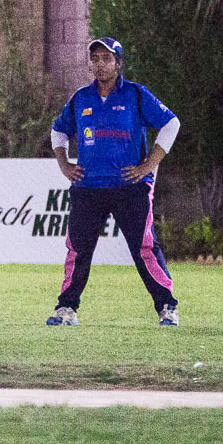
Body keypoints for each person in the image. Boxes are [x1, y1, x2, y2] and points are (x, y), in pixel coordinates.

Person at [47, 37, 182, 328]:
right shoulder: (80, 98)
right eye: (95, 58)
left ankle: (167, 307)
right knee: (77, 250)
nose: (100, 64)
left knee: (145, 247)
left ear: (118, 64)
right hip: (88, 188)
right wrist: (64, 164)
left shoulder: (136, 94)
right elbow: (58, 131)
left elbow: (171, 123)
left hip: (130, 187)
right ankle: (66, 308)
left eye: (106, 59)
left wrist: (148, 165)